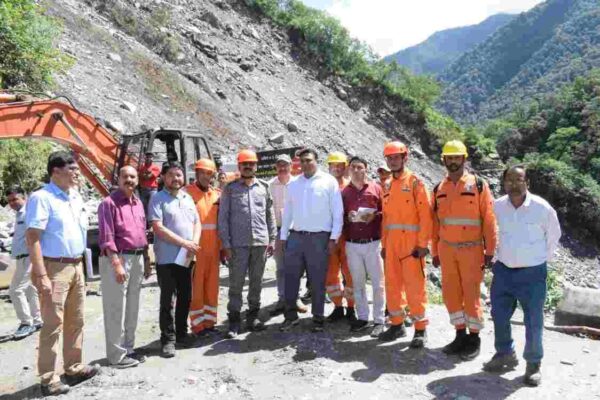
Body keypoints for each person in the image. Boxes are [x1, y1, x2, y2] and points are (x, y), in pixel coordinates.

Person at [25, 151, 100, 396]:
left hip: (76, 265)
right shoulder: (42, 198)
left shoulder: (74, 196)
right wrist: (41, 275)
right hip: (54, 268)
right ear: (55, 171)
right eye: (72, 169)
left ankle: (73, 367)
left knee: (76, 320)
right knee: (52, 324)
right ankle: (49, 378)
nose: (77, 173)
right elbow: (33, 237)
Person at [483, 165, 561, 387]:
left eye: (519, 180)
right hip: (504, 271)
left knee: (533, 319)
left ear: (528, 182)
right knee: (498, 314)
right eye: (509, 180)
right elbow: (491, 232)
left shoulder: (542, 208)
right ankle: (505, 353)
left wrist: (538, 259)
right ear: (504, 183)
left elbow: (553, 236)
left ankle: (533, 364)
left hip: (532, 274)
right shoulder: (497, 206)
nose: (514, 184)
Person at [431, 140, 497, 361]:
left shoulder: (478, 185)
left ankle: (474, 338)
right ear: (444, 160)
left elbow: (489, 219)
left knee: (471, 294)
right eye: (449, 158)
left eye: (457, 157)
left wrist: (490, 250)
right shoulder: (438, 189)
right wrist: (435, 251)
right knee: (451, 294)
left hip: (472, 250)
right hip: (447, 250)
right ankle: (459, 334)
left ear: (464, 159)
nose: (453, 161)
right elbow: (435, 224)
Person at [279, 148, 344, 333]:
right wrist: (283, 236)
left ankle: (318, 318)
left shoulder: (329, 181)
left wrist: (334, 237)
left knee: (317, 280)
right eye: (302, 161)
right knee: (291, 278)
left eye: (309, 160)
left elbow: (337, 212)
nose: (305, 164)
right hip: (296, 237)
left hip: (319, 238)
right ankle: (290, 316)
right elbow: (288, 211)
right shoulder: (293, 184)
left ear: (317, 161)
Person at [379, 142, 433, 348]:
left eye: (396, 157)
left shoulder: (415, 182)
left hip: (412, 245)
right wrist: (385, 245)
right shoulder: (387, 185)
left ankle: (420, 329)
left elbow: (426, 215)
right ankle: (396, 324)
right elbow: (386, 219)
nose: (393, 161)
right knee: (392, 285)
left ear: (404, 158)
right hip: (392, 244)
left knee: (414, 287)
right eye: (389, 158)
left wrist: (423, 244)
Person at [218, 150, 277, 338]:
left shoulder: (264, 187)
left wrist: (272, 239)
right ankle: (234, 321)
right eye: (245, 164)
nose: (248, 166)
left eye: (251, 163)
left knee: (256, 282)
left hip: (260, 242)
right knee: (236, 284)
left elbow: (269, 215)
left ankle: (253, 317)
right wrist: (226, 244)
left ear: (256, 166)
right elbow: (223, 218)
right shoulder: (230, 189)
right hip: (238, 245)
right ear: (239, 166)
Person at [98, 166, 150, 369]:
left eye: (132, 176)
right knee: (115, 307)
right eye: (125, 176)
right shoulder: (108, 203)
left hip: (137, 258)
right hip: (118, 258)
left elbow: (142, 234)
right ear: (118, 179)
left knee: (132, 306)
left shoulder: (138, 203)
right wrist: (116, 264)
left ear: (137, 180)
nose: (129, 180)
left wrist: (146, 259)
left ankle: (129, 348)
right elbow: (107, 237)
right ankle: (116, 356)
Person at [148, 161, 201, 358]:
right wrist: (185, 243)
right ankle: (168, 340)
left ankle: (182, 334)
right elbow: (158, 228)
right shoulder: (157, 198)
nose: (175, 179)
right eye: (171, 175)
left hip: (187, 257)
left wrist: (193, 243)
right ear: (163, 177)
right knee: (168, 300)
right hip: (167, 258)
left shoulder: (187, 198)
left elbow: (197, 222)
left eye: (178, 175)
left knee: (186, 296)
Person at [341, 157, 386, 337]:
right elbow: (338, 216)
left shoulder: (376, 188)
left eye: (360, 167)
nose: (356, 170)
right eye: (353, 167)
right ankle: (362, 318)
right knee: (358, 283)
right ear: (349, 170)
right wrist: (348, 217)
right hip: (352, 244)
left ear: (366, 169)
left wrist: (375, 216)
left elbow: (385, 211)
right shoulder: (344, 193)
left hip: (373, 243)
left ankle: (379, 320)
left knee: (378, 284)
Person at [186, 159, 222, 336]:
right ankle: (197, 325)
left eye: (209, 173)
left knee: (212, 286)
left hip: (214, 249)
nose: (206, 176)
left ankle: (210, 322)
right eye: (203, 173)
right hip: (196, 249)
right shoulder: (186, 194)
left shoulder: (217, 195)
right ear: (197, 173)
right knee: (196, 287)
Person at [268, 154, 306, 315]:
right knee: (281, 267)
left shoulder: (298, 184)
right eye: (279, 165)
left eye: (285, 165)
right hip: (277, 230)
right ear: (275, 167)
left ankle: (296, 298)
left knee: (296, 266)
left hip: (295, 231)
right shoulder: (269, 185)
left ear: (291, 166)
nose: (282, 168)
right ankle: (282, 298)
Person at [7, 185, 42, 340]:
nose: (12, 203)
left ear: (24, 197)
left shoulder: (28, 213)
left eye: (15, 199)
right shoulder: (19, 214)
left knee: (15, 290)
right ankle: (37, 319)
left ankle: (26, 323)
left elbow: (36, 235)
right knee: (29, 289)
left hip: (28, 257)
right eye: (9, 201)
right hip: (22, 257)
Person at [325, 152, 356, 323]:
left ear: (345, 167)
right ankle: (337, 306)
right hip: (329, 236)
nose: (336, 168)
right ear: (329, 166)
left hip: (347, 236)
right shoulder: (323, 186)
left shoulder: (351, 187)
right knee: (330, 274)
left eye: (340, 165)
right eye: (333, 165)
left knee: (350, 273)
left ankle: (351, 307)